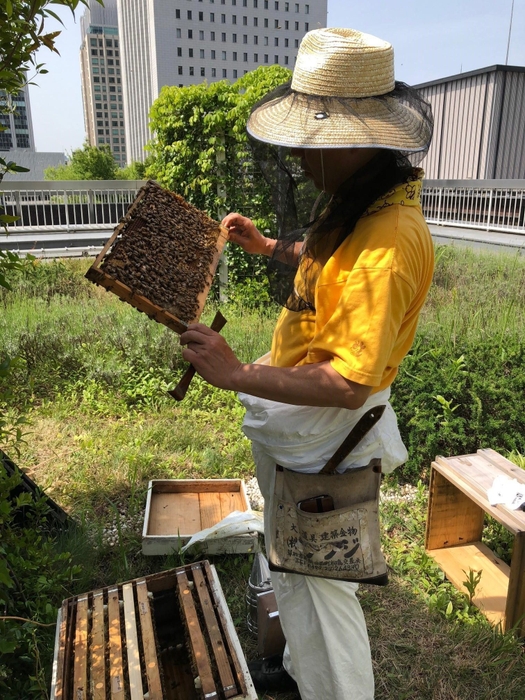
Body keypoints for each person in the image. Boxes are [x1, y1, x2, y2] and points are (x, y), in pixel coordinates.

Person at [180, 27, 434, 700]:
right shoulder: (363, 201)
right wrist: (270, 248)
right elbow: (328, 262)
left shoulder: (387, 242)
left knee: (322, 588)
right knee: (292, 567)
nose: (295, 153)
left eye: (308, 141)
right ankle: (299, 677)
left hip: (329, 435)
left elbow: (347, 383)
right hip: (306, 432)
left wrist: (235, 373)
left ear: (355, 140)